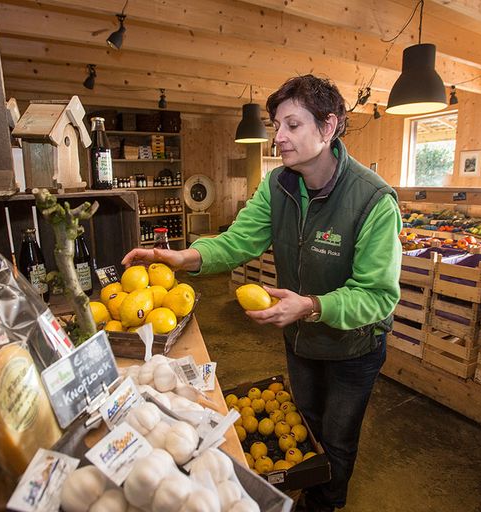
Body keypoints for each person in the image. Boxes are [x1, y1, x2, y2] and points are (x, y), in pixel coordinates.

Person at [122, 74, 402, 511]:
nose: (279, 138)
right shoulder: (279, 186)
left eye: (292, 125)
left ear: (328, 127)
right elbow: (237, 242)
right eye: (276, 126)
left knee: (338, 438)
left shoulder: (372, 200)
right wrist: (182, 257)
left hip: (354, 346)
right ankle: (309, 488)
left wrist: (311, 306)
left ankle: (325, 503)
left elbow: (379, 295)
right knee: (306, 424)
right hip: (301, 338)